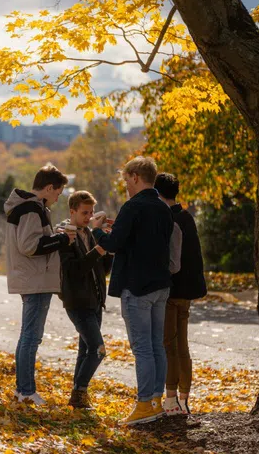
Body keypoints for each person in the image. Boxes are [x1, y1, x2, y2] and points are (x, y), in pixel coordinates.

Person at [89, 156, 173, 425]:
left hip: (137, 286)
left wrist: (96, 230)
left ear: (136, 177)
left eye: (126, 179)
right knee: (157, 345)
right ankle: (155, 400)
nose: (125, 184)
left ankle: (144, 403)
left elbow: (113, 245)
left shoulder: (133, 206)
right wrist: (119, 226)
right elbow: (145, 239)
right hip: (160, 285)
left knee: (142, 348)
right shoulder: (162, 209)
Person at [4, 164, 74, 405]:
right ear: (48, 188)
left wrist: (58, 237)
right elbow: (30, 245)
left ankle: (22, 389)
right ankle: (26, 391)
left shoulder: (32, 208)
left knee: (28, 336)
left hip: (34, 278)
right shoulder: (32, 209)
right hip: (35, 280)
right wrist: (62, 239)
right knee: (31, 337)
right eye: (58, 192)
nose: (58, 197)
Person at [154, 173, 207, 415]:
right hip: (187, 291)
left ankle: (171, 398)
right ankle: (184, 397)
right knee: (182, 345)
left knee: (169, 345)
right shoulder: (187, 217)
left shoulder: (167, 219)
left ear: (157, 193)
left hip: (170, 290)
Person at [58, 191, 113, 409]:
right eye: (84, 212)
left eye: (91, 212)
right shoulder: (66, 235)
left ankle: (78, 396)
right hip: (77, 302)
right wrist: (98, 250)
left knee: (86, 350)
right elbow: (74, 270)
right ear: (72, 211)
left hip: (95, 301)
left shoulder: (90, 234)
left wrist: (107, 248)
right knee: (98, 349)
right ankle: (79, 391)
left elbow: (103, 270)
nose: (88, 217)